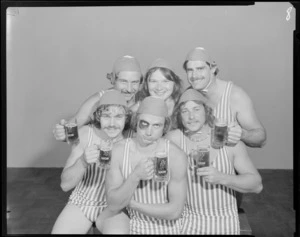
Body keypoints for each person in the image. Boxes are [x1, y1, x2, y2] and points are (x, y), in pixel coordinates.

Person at [165, 89, 263, 235]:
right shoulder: (173, 140)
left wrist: (222, 177)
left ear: (207, 111)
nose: (191, 116)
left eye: (196, 109)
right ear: (179, 115)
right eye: (185, 111)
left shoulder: (228, 141)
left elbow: (256, 185)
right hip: (185, 221)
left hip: (224, 222)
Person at [51, 90, 132, 234]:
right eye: (106, 116)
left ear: (126, 118)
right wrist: (83, 162)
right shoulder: (85, 134)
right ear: (97, 116)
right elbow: (65, 185)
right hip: (82, 201)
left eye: (119, 116)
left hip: (114, 207)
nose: (112, 123)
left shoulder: (132, 140)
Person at [104, 96, 188, 234]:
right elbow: (113, 203)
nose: (149, 132)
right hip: (132, 226)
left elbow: (175, 211)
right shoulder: (119, 151)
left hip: (168, 229)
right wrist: (135, 176)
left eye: (157, 125)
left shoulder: (176, 155)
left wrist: (130, 203)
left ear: (164, 127)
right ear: (136, 122)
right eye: (144, 124)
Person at [183, 47, 266, 148]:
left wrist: (242, 134)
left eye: (200, 69)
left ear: (213, 69)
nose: (194, 75)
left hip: (227, 161)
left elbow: (261, 137)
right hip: (198, 160)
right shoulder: (187, 95)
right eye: (190, 70)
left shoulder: (235, 95)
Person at [53, 55, 142, 142]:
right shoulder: (98, 100)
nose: (129, 89)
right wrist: (62, 133)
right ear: (113, 80)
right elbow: (70, 131)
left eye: (135, 82)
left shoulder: (143, 100)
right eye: (123, 81)